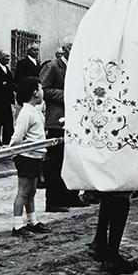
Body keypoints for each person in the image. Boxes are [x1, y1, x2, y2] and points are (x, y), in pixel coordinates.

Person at [63, 0, 138, 275]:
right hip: (124, 120)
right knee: (121, 188)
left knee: (112, 188)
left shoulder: (95, 23)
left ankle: (100, 242)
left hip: (105, 120)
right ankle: (111, 254)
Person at [40, 43, 87, 210]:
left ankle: (70, 196)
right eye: (72, 47)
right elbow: (43, 89)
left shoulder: (78, 67)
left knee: (72, 162)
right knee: (55, 163)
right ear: (65, 48)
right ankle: (52, 201)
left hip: (74, 121)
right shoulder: (53, 66)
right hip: (56, 121)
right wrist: (68, 95)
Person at [9, 76, 50, 237]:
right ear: (35, 93)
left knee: (32, 191)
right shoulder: (26, 112)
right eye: (40, 89)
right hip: (26, 156)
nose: (42, 92)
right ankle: (17, 226)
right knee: (23, 192)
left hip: (35, 156)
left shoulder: (34, 110)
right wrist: (12, 151)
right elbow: (18, 136)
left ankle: (32, 221)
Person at [0, 49, 16, 146]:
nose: (8, 59)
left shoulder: (7, 70)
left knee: (8, 122)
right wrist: (4, 84)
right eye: (6, 56)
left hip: (7, 100)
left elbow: (11, 83)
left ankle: (7, 141)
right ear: (0, 57)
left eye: (8, 56)